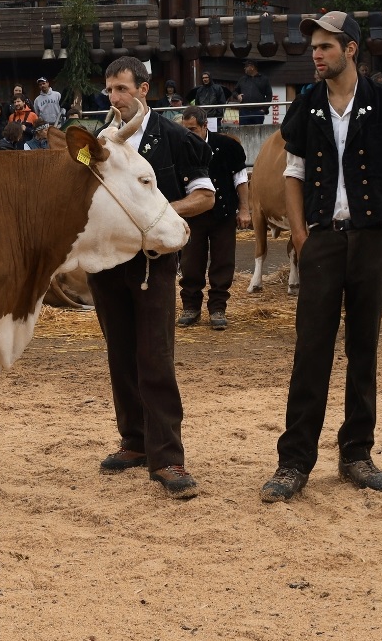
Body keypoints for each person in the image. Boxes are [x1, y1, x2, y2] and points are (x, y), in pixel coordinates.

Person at [259, 11, 382, 503]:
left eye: (325, 46)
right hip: (323, 239)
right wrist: (302, 237)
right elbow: (294, 174)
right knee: (311, 351)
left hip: (372, 239)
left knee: (363, 349)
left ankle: (356, 454)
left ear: (350, 49)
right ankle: (294, 462)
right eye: (314, 48)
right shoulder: (306, 107)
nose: (316, 54)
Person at [86, 55, 214, 500]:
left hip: (153, 264)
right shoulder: (98, 142)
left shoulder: (175, 137)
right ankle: (134, 441)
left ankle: (167, 456)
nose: (115, 98)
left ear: (144, 89)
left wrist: (156, 216)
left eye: (122, 89)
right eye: (109, 90)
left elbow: (204, 197)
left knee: (155, 357)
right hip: (105, 263)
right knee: (120, 354)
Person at [177, 105, 251, 331]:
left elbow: (240, 179)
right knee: (190, 262)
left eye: (193, 129)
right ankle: (191, 306)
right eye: (185, 130)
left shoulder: (227, 146)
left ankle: (218, 307)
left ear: (204, 126)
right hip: (192, 214)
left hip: (223, 213)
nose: (189, 134)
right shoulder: (179, 146)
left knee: (223, 261)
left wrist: (245, 209)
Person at [234, 59, 273, 126]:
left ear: (252, 67)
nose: (244, 68)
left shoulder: (264, 79)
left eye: (246, 66)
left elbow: (269, 95)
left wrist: (264, 109)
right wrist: (237, 96)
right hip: (244, 111)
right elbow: (234, 91)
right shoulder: (242, 79)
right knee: (243, 132)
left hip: (258, 111)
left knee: (257, 132)